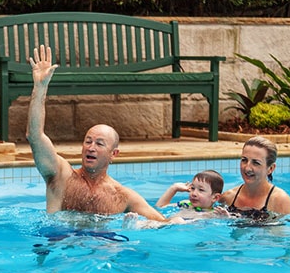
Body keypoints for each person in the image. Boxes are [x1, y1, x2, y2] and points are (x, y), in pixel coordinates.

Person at [25, 44, 166, 221]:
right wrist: (40, 87)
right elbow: (34, 136)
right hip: (58, 243)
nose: (91, 147)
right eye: (88, 141)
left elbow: (164, 223)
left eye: (99, 144)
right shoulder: (60, 175)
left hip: (101, 244)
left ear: (113, 154)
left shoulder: (123, 197)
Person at [220, 136, 290, 220]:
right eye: (244, 160)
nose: (247, 168)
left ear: (270, 169)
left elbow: (281, 232)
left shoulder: (279, 200)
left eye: (256, 163)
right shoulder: (228, 197)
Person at [156, 170, 227, 218]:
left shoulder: (214, 214)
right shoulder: (185, 204)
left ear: (215, 198)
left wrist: (226, 217)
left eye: (201, 190)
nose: (194, 193)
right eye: (192, 188)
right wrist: (174, 188)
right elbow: (159, 207)